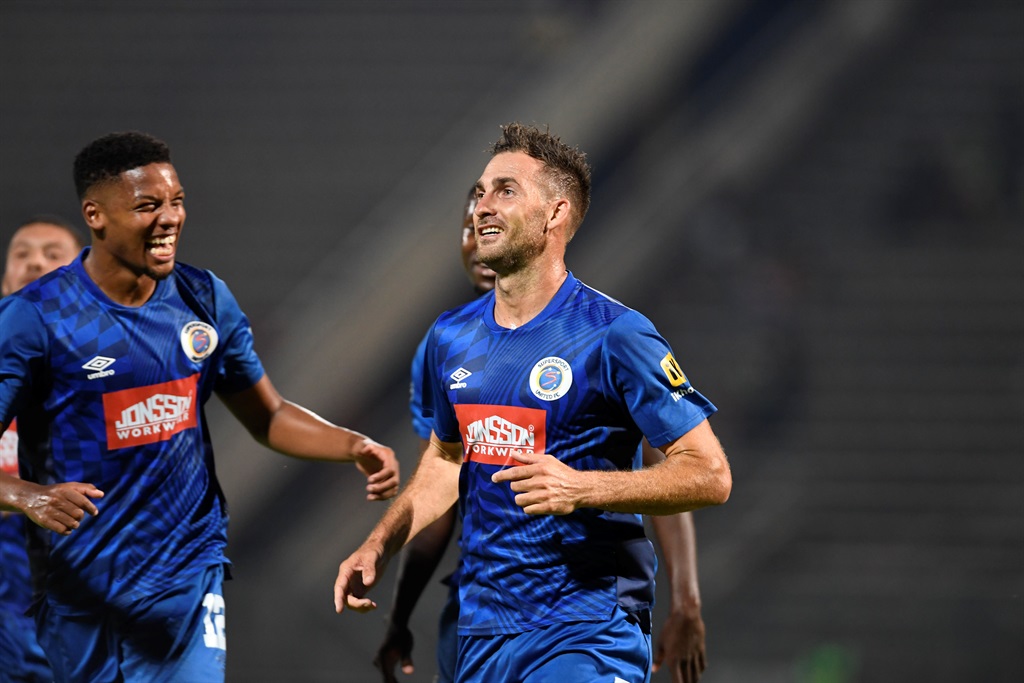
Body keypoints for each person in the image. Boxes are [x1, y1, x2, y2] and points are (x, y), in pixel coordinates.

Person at [336, 122, 731, 682]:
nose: (482, 208)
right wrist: (379, 544)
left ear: (555, 215)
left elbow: (710, 473)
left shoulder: (617, 334)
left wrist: (581, 487)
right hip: (483, 632)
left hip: (588, 628)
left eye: (505, 190)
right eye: (479, 192)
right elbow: (448, 461)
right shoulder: (452, 339)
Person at [0, 131, 400, 683]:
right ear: (95, 215)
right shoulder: (37, 319)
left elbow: (270, 416)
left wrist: (351, 444)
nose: (169, 218)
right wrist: (29, 496)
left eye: (176, 201)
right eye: (147, 206)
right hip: (83, 591)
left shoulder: (203, 299)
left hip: (187, 574)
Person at [1, 216, 84, 682]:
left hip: (78, 579)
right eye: (22, 253)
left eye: (53, 255)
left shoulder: (118, 366)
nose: (35, 261)